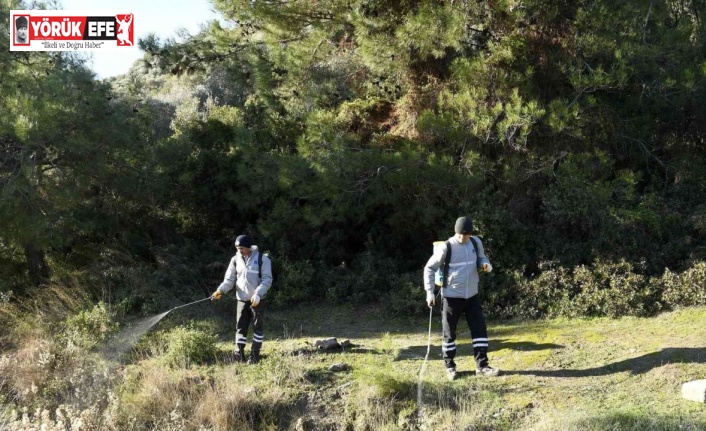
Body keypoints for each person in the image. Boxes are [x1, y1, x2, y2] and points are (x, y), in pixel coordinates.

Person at [423, 216, 499, 380]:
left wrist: (486, 265)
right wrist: (430, 292)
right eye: (460, 235)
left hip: (472, 295)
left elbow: (481, 258)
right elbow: (429, 268)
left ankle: (482, 366)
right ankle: (450, 367)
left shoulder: (475, 242)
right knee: (449, 334)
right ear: (455, 232)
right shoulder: (446, 247)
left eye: (466, 235)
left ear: (470, 234)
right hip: (451, 298)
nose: (463, 238)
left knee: (479, 330)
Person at [212, 235, 272, 364]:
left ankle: (255, 355)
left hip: (257, 300)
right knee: (240, 328)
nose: (240, 251)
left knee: (257, 327)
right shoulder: (235, 260)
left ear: (249, 247)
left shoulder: (263, 259)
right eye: (238, 248)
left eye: (242, 248)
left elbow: (267, 280)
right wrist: (220, 290)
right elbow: (229, 280)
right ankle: (239, 355)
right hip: (242, 299)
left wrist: (258, 294)